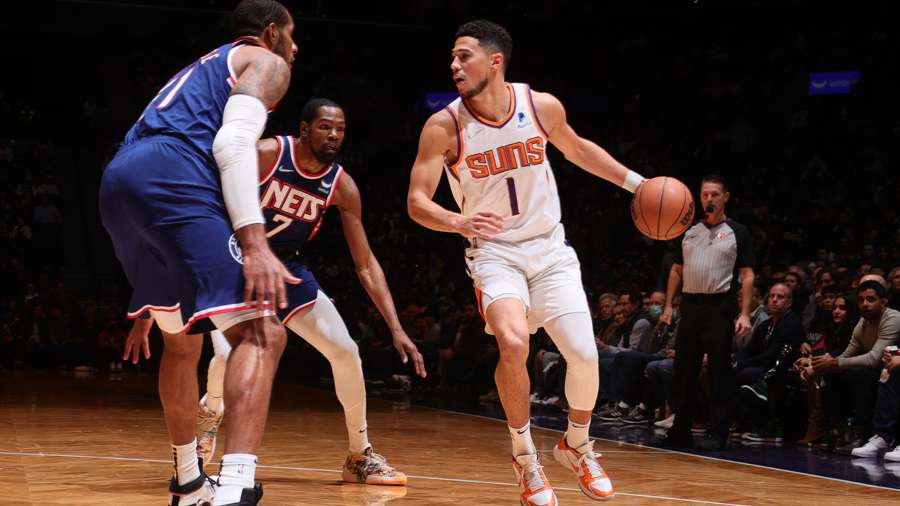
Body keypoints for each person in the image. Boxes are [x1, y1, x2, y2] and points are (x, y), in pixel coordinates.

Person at [406, 19, 648, 505]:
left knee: (584, 354)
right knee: (514, 344)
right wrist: (458, 221)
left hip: (549, 247)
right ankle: (524, 456)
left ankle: (576, 444)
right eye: (452, 57)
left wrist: (638, 185)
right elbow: (416, 201)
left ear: (495, 61)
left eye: (464, 56)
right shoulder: (443, 126)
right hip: (494, 252)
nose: (454, 65)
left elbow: (578, 150)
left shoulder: (540, 106)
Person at [99, 2, 298, 504]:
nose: (295, 49)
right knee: (262, 328)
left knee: (182, 340)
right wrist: (254, 241)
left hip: (121, 179)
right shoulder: (268, 62)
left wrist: (154, 275)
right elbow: (232, 143)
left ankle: (189, 481)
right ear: (271, 33)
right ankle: (236, 486)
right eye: (293, 36)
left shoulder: (202, 67)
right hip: (174, 174)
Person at [181, 99, 424, 486]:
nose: (334, 135)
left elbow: (364, 263)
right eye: (326, 127)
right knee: (228, 354)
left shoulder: (341, 185)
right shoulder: (267, 155)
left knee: (346, 351)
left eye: (340, 129)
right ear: (305, 129)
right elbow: (207, 199)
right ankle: (212, 410)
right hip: (234, 257)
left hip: (286, 268)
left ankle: (359, 454)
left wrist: (395, 326)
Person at [659, 174, 756, 451]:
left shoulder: (739, 232)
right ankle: (681, 430)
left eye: (714, 194)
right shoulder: (688, 230)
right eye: (704, 195)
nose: (709, 199)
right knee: (683, 371)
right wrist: (668, 306)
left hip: (720, 306)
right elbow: (677, 270)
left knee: (718, 372)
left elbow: (747, 275)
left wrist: (745, 313)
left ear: (725, 197)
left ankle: (717, 431)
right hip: (690, 305)